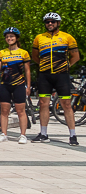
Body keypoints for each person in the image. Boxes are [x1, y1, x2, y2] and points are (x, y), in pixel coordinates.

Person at [31, 12, 80, 145]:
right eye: (47, 22)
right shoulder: (39, 38)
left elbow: (75, 56)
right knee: (43, 104)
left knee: (66, 105)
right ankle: (43, 133)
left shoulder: (67, 37)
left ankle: (73, 135)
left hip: (61, 76)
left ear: (58, 23)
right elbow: (35, 56)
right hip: (44, 75)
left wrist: (66, 66)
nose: (50, 24)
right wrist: (42, 65)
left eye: (53, 21)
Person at [0, 27, 31, 144]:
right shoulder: (2, 52)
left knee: (20, 111)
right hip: (5, 84)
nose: (9, 38)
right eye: (7, 37)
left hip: (19, 84)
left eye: (12, 36)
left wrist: (28, 86)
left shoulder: (23, 53)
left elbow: (27, 71)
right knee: (4, 110)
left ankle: (23, 135)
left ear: (16, 38)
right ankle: (4, 133)